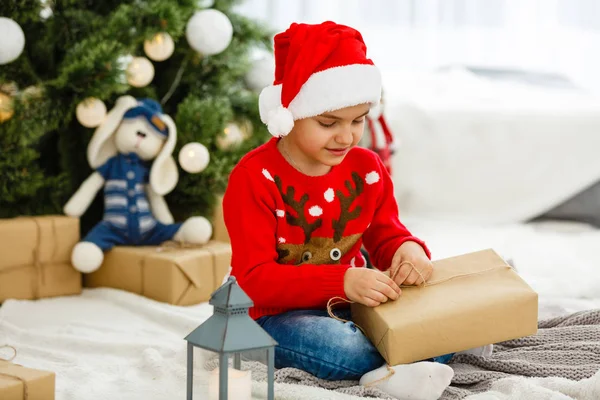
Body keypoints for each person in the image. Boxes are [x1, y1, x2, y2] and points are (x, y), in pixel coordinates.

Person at [223, 21, 491, 400]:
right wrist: (342, 282)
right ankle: (409, 361)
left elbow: (386, 233)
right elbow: (252, 280)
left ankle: (403, 362)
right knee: (342, 347)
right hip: (274, 316)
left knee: (426, 316)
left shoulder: (366, 167)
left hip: (354, 304)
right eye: (328, 122)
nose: (347, 136)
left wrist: (407, 250)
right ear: (290, 112)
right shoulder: (254, 177)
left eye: (358, 120)